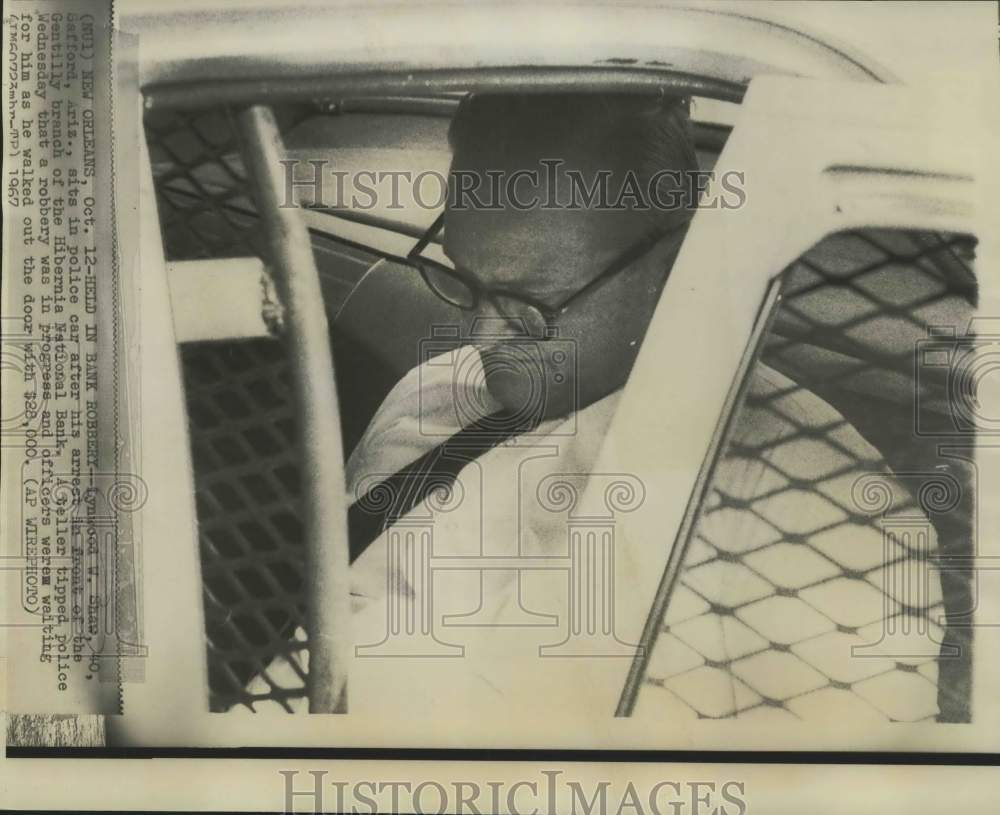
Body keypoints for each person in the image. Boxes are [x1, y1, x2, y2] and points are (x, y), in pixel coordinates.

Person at [251, 93, 948, 723]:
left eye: (530, 306)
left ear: (673, 263)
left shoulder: (816, 513)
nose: (481, 337)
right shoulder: (435, 391)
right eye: (464, 280)